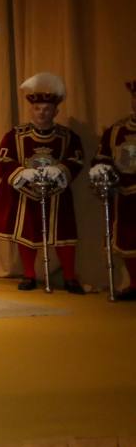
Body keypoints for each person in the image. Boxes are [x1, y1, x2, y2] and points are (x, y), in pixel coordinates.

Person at [0, 72, 85, 293]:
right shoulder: (15, 135)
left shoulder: (67, 137)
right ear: (31, 110)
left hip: (57, 193)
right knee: (27, 233)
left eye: (47, 109)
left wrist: (60, 169)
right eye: (38, 109)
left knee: (63, 234)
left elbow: (77, 159)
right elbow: (3, 159)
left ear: (55, 111)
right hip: (27, 193)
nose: (42, 113)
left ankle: (69, 277)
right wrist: (20, 173)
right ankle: (29, 275)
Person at [90, 79, 136, 300]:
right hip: (125, 194)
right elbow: (102, 158)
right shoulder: (117, 130)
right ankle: (135, 284)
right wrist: (101, 170)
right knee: (127, 240)